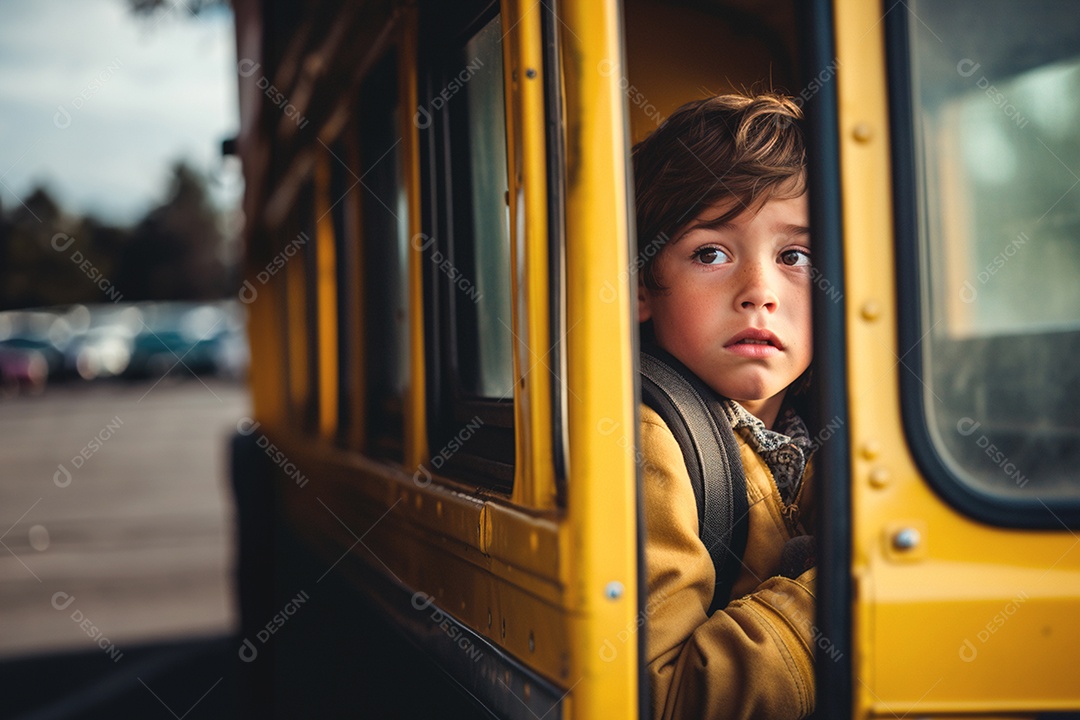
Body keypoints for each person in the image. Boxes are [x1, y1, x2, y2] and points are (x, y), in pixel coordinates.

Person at [636, 93, 818, 719]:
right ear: (641, 286)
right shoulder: (647, 442)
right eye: (711, 253)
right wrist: (847, 600)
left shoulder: (844, 428)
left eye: (795, 257)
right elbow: (668, 699)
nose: (760, 292)